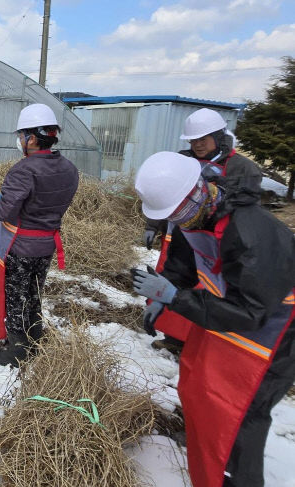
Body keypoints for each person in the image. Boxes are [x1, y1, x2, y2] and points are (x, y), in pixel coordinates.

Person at [133, 151, 295, 487]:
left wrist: (176, 298)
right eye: (170, 217)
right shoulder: (193, 215)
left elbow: (252, 310)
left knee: (244, 413)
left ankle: (238, 478)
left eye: (178, 213)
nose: (177, 222)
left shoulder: (251, 233)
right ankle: (207, 449)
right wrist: (163, 298)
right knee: (199, 385)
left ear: (198, 190)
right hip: (226, 314)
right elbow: (182, 262)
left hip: (274, 331)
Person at [143, 108, 263, 353]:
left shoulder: (243, 168)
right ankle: (173, 337)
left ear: (219, 137)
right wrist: (151, 225)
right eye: (193, 140)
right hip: (179, 238)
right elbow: (163, 195)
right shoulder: (183, 161)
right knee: (175, 280)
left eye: (202, 139)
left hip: (219, 244)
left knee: (209, 293)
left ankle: (197, 343)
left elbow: (248, 210)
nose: (197, 145)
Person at [0, 103, 79, 367]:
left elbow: (3, 210)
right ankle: (35, 335)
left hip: (20, 247)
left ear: (32, 138)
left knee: (16, 296)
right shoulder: (68, 168)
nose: (19, 140)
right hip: (47, 245)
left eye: (21, 135)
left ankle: (18, 349)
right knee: (34, 291)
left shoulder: (24, 170)